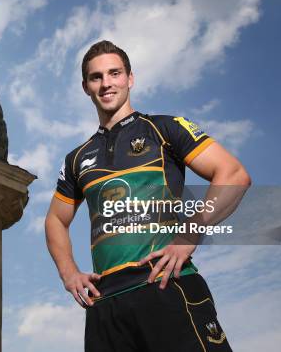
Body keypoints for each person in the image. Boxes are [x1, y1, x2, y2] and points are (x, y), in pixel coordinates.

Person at [44, 40, 251, 351]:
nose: (106, 83)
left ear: (130, 78)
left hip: (166, 286)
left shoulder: (165, 129)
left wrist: (189, 234)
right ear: (85, 87)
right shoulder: (77, 158)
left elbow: (233, 175)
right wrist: (68, 272)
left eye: (114, 73)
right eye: (96, 77)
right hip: (106, 304)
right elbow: (55, 221)